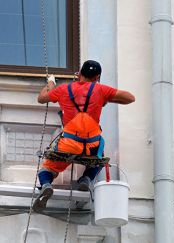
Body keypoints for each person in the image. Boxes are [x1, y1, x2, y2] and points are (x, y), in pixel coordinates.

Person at [33, 60, 135, 212]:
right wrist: (107, 97)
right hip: (91, 145)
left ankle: (46, 185)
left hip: (69, 144)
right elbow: (130, 98)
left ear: (79, 73)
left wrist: (51, 83)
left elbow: (41, 98)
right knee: (99, 159)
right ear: (97, 77)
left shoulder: (64, 89)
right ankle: (86, 180)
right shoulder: (100, 90)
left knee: (48, 168)